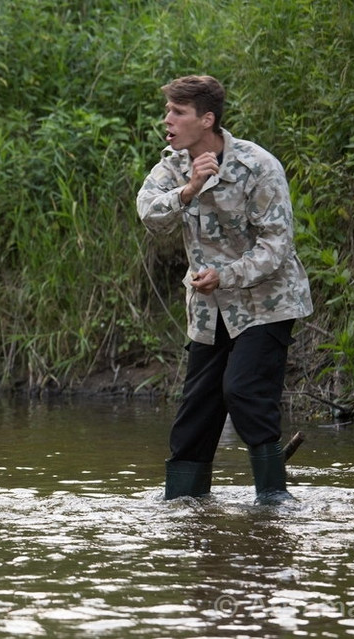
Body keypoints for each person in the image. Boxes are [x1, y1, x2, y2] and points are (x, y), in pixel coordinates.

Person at [136, 75, 313, 504]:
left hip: (266, 302)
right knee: (197, 406)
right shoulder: (172, 164)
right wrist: (189, 189)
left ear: (207, 119)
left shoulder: (258, 165)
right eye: (168, 112)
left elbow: (278, 244)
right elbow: (149, 215)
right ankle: (183, 503)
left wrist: (227, 275)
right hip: (208, 308)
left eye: (178, 113)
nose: (168, 121)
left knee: (243, 389)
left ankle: (273, 498)